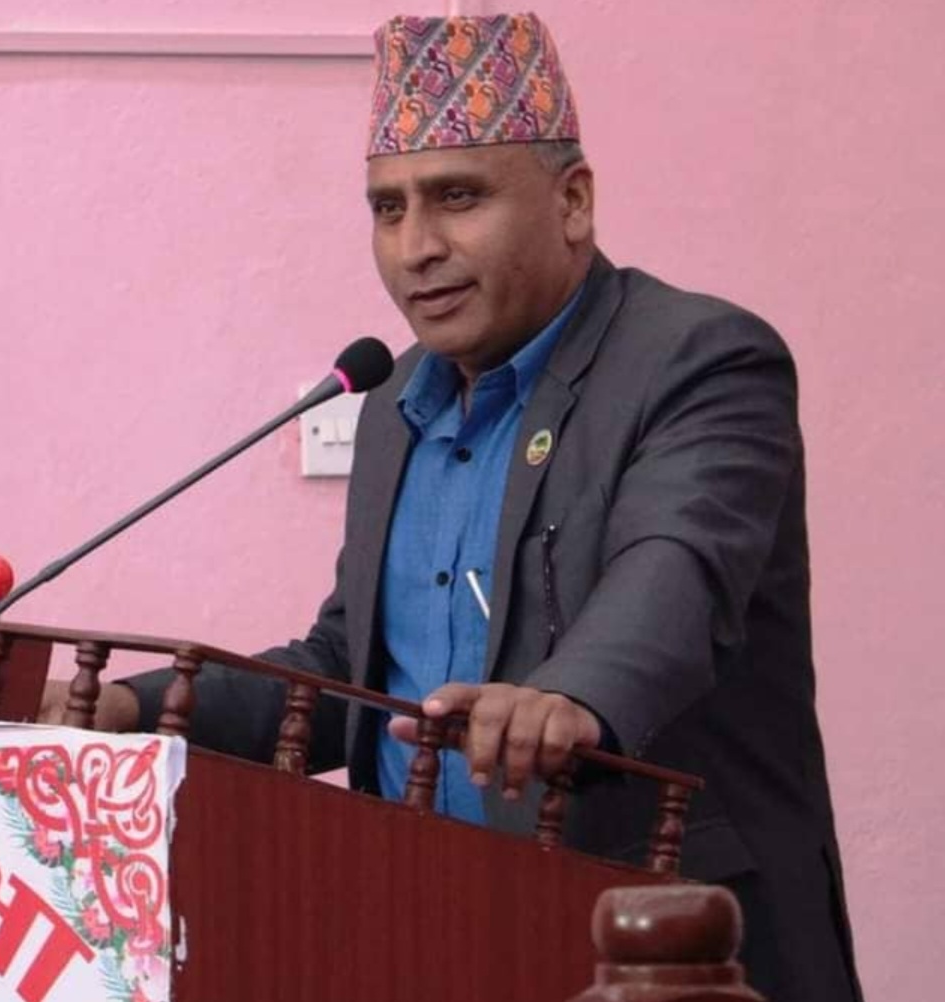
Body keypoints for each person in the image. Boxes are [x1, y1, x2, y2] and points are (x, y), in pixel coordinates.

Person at [42, 13, 862, 1000]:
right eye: (387, 210)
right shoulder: (394, 404)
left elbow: (676, 569)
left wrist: (570, 696)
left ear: (572, 201)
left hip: (665, 949)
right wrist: (131, 711)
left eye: (458, 198)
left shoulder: (700, 361)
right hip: (432, 935)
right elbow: (352, 674)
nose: (416, 247)